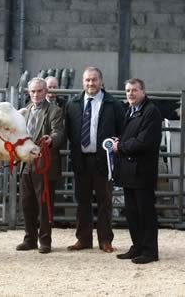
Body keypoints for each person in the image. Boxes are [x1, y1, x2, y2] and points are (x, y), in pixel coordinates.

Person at [65, 67, 125, 253]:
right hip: (81, 161)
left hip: (104, 161)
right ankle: (83, 239)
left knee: (105, 201)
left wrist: (117, 146)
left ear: (101, 81)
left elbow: (122, 131)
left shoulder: (113, 104)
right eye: (87, 80)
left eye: (94, 80)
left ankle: (105, 240)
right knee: (82, 201)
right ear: (83, 82)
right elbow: (68, 132)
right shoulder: (73, 104)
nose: (91, 83)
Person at [113, 78, 161, 264]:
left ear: (143, 92)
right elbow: (130, 136)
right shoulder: (131, 111)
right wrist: (118, 141)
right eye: (127, 91)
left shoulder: (151, 112)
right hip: (129, 172)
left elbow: (144, 142)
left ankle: (150, 251)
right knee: (132, 212)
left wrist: (120, 147)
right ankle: (137, 246)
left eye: (134, 90)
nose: (130, 94)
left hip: (142, 171)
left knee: (145, 212)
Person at [16, 77, 64, 253]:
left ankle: (45, 241)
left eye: (39, 91)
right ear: (29, 92)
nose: (36, 94)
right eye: (33, 91)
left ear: (46, 92)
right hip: (26, 163)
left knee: (44, 204)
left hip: (44, 164)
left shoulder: (54, 111)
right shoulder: (24, 111)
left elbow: (58, 132)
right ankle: (29, 239)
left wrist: (51, 139)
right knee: (27, 203)